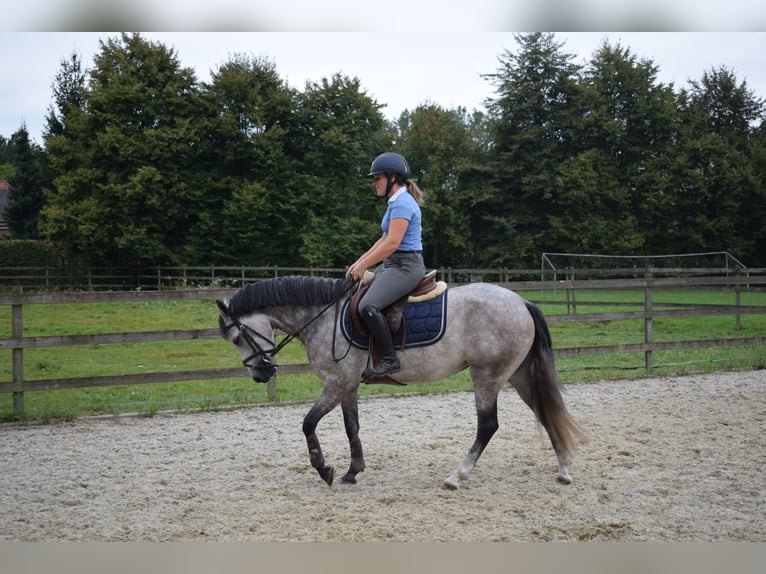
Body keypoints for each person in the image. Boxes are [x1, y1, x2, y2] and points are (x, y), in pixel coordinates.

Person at [347, 152, 426, 379]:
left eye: (377, 178)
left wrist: (364, 266)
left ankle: (390, 359)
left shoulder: (402, 203)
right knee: (358, 296)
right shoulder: (395, 202)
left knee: (368, 306)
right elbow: (382, 240)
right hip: (394, 264)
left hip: (406, 266)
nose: (374, 183)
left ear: (392, 177)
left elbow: (392, 244)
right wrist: (359, 263)